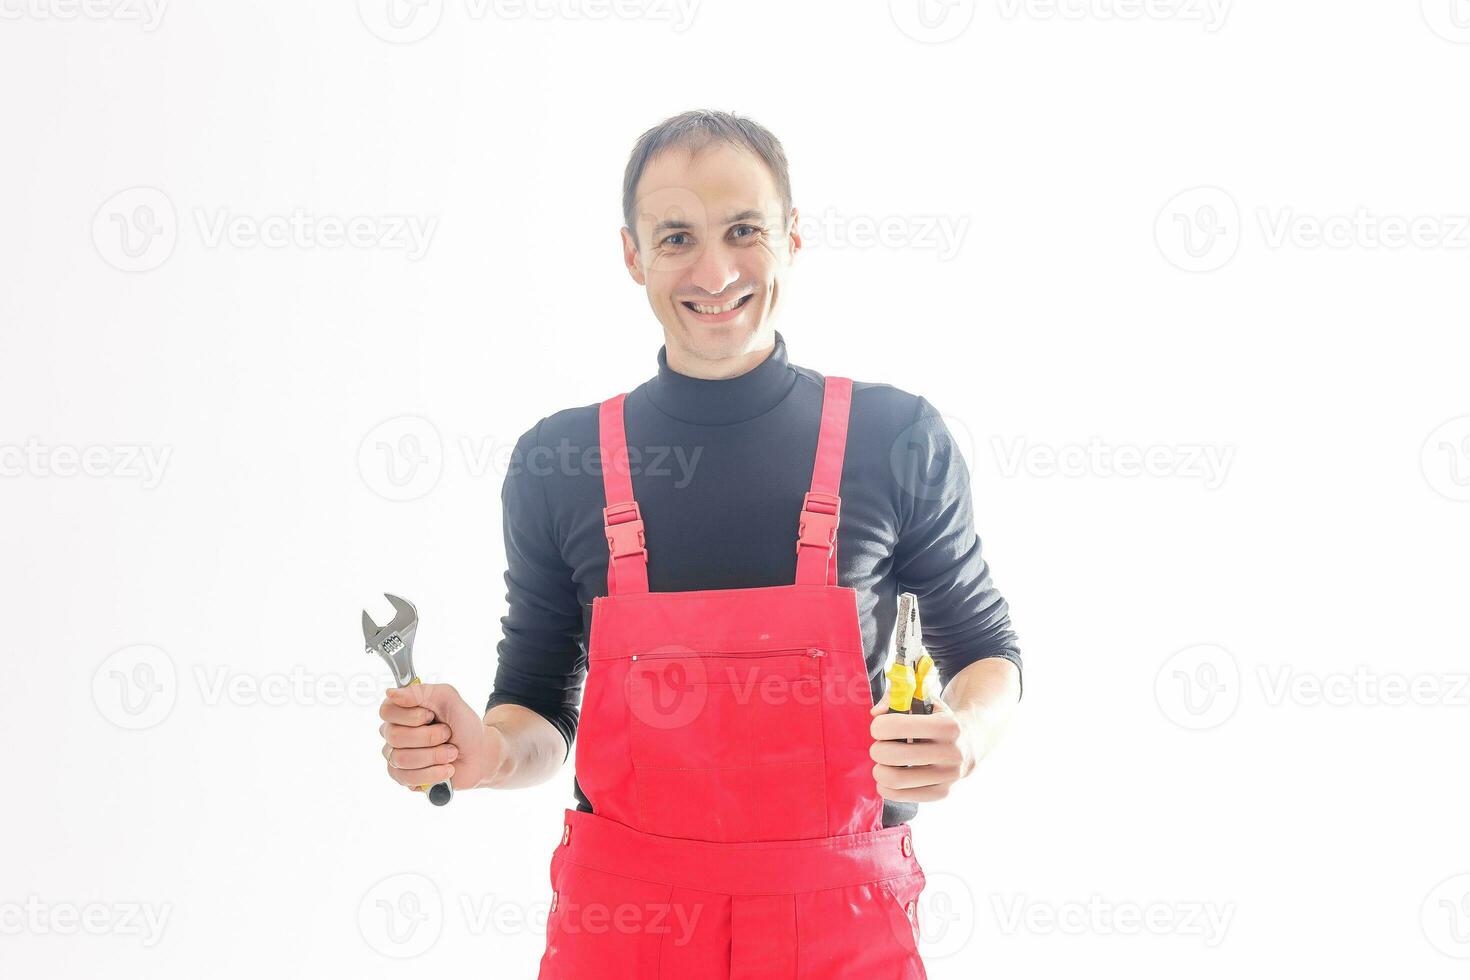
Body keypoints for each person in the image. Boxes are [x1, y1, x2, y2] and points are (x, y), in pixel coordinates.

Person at [376, 108, 1023, 978]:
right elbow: (536, 699)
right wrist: (483, 752)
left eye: (744, 229)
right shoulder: (560, 464)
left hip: (841, 931)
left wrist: (968, 736)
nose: (716, 270)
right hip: (625, 932)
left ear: (793, 236)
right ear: (633, 255)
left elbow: (985, 649)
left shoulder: (893, 437)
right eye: (677, 237)